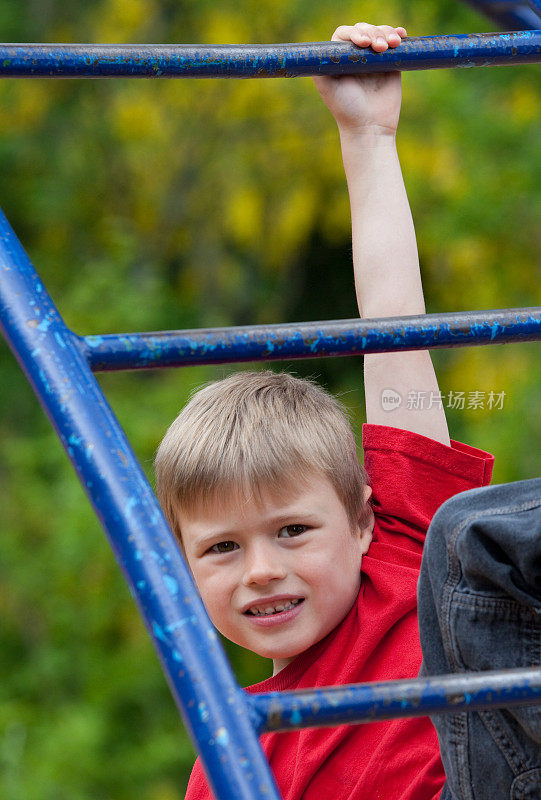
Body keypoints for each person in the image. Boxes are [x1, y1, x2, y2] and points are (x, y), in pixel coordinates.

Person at [154, 22, 535, 800]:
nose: (262, 571)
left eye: (292, 530)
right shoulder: (236, 755)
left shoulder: (404, 552)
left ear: (363, 519)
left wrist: (366, 135)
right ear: (181, 566)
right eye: (221, 548)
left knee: (474, 535)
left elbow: (394, 325)